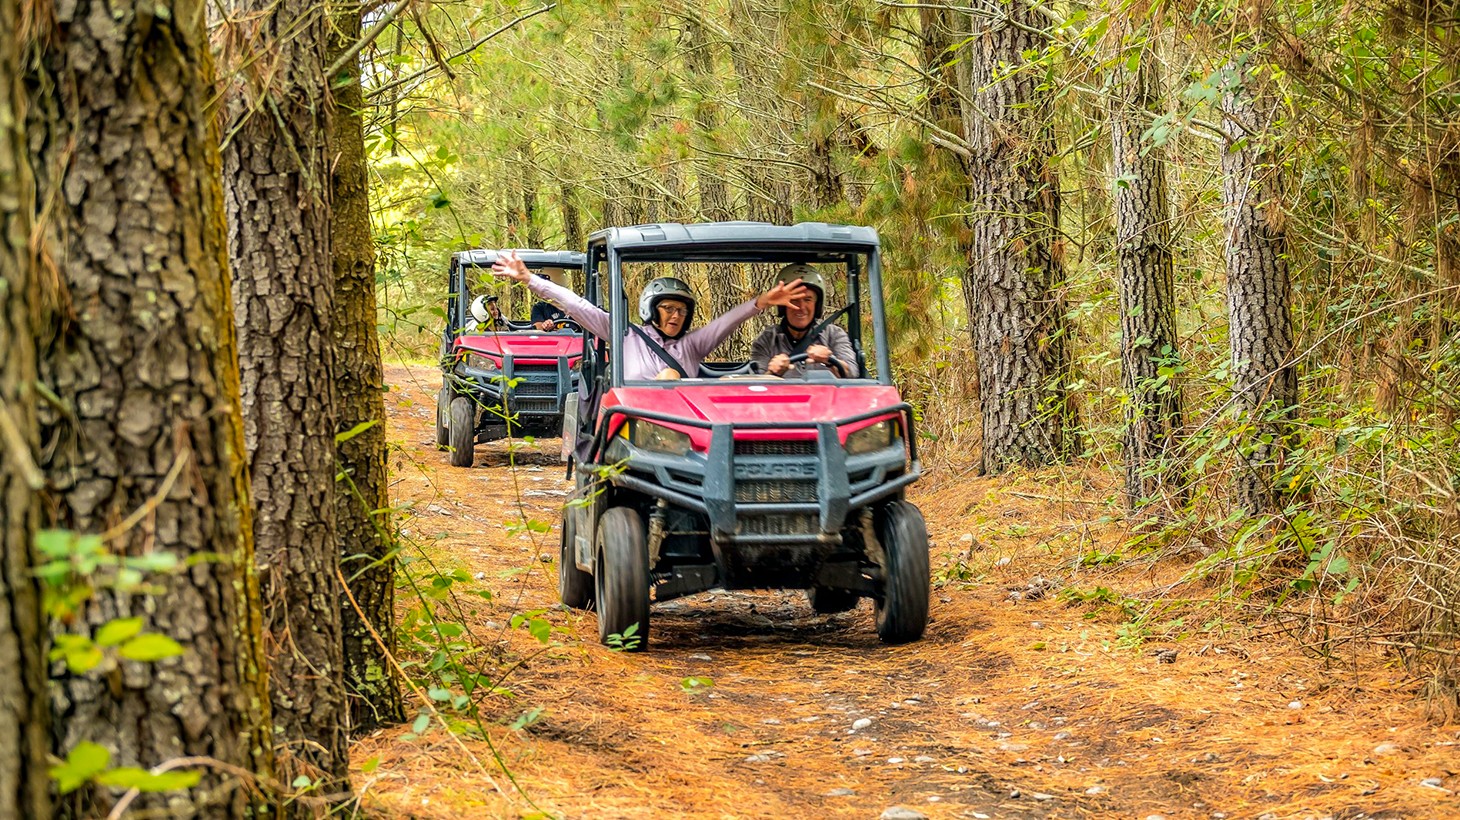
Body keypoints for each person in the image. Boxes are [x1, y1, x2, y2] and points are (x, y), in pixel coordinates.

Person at [490, 251, 808, 380]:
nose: (675, 315)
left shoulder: (693, 345)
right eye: (668, 308)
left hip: (682, 435)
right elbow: (577, 306)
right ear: (652, 309)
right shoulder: (624, 334)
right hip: (633, 432)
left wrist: (762, 302)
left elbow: (726, 323)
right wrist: (530, 279)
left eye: (682, 310)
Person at [750, 264, 856, 378]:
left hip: (826, 395)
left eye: (807, 299)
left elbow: (852, 373)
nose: (801, 306)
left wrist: (830, 360)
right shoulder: (768, 339)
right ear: (782, 306)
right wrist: (772, 373)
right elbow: (756, 384)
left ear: (817, 305)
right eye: (794, 300)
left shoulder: (833, 334)